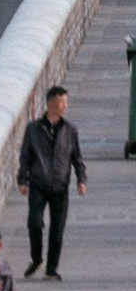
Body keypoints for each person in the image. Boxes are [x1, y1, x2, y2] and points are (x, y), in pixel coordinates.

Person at [20, 85, 89, 279]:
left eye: (66, 102)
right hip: (38, 184)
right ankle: (36, 259)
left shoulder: (70, 130)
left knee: (57, 229)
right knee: (35, 222)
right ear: (50, 103)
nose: (64, 106)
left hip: (60, 185)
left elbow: (77, 157)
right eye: (61, 102)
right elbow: (25, 156)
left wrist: (81, 179)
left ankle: (51, 268)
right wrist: (22, 179)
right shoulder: (33, 128)